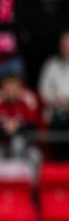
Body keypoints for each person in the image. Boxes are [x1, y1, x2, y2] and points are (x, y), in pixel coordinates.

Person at [39, 30, 69, 159]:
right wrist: (59, 101)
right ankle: (58, 162)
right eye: (65, 44)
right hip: (57, 110)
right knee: (59, 121)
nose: (67, 47)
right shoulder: (51, 65)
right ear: (60, 46)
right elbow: (44, 89)